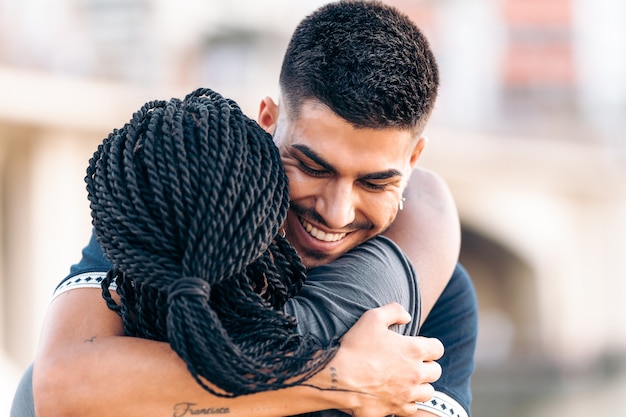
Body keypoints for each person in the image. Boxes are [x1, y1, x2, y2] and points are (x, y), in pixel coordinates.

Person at [17, 1, 477, 416]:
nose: (336, 213)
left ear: (413, 160)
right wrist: (335, 376)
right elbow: (62, 385)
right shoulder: (177, 212)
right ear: (268, 121)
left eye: (374, 182)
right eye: (313, 167)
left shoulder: (442, 294)